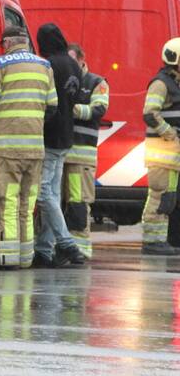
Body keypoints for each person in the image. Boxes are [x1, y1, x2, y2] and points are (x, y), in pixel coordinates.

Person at [0, 26, 58, 270]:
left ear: (9, 42)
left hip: (6, 150)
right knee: (26, 206)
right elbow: (52, 107)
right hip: (34, 151)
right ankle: (25, 258)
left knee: (7, 203)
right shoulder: (44, 67)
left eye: (3, 43)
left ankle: (6, 259)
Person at [34, 23, 87, 267]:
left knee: (44, 193)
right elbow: (76, 99)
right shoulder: (74, 64)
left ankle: (67, 245)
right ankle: (45, 251)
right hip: (67, 135)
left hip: (49, 135)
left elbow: (44, 102)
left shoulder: (49, 65)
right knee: (52, 194)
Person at [63, 44, 109, 259]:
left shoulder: (96, 83)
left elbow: (99, 109)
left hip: (81, 157)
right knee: (57, 203)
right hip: (60, 154)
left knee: (78, 203)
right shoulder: (63, 80)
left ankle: (80, 249)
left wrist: (71, 110)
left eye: (73, 61)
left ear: (82, 59)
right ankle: (61, 247)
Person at [139, 38, 180, 256]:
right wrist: (169, 132)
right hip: (162, 150)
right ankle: (152, 241)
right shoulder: (161, 83)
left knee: (169, 197)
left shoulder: (176, 82)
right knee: (158, 194)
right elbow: (149, 113)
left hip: (171, 153)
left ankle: (162, 239)